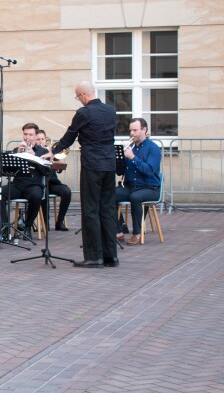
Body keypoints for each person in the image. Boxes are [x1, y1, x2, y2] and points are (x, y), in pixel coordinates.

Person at [50, 81, 118, 268]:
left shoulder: (84, 113)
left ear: (82, 95)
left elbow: (70, 136)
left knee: (90, 210)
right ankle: (111, 256)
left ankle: (93, 257)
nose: (78, 100)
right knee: (107, 209)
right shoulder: (111, 111)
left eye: (77, 97)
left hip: (92, 165)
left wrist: (53, 151)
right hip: (109, 165)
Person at [0, 123, 48, 241]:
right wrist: (17, 153)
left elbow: (45, 172)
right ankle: (4, 227)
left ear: (35, 135)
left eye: (30, 134)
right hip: (17, 185)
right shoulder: (16, 150)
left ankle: (27, 226)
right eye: (25, 134)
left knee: (36, 195)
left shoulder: (43, 152)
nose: (27, 137)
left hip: (33, 185)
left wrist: (34, 157)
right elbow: (8, 170)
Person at [115, 118, 161, 245]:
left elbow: (149, 170)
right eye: (130, 130)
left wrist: (133, 158)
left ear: (144, 130)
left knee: (135, 197)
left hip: (150, 188)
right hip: (131, 186)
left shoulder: (153, 149)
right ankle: (118, 231)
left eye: (135, 130)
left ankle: (137, 233)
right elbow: (120, 172)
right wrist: (118, 160)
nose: (132, 133)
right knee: (109, 194)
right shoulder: (130, 148)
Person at [35, 129, 71, 231]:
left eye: (42, 139)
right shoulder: (33, 152)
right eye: (38, 139)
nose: (40, 141)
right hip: (40, 183)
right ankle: (45, 223)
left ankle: (59, 222)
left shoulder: (50, 152)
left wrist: (55, 159)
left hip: (52, 182)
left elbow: (58, 169)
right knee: (43, 194)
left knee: (66, 191)